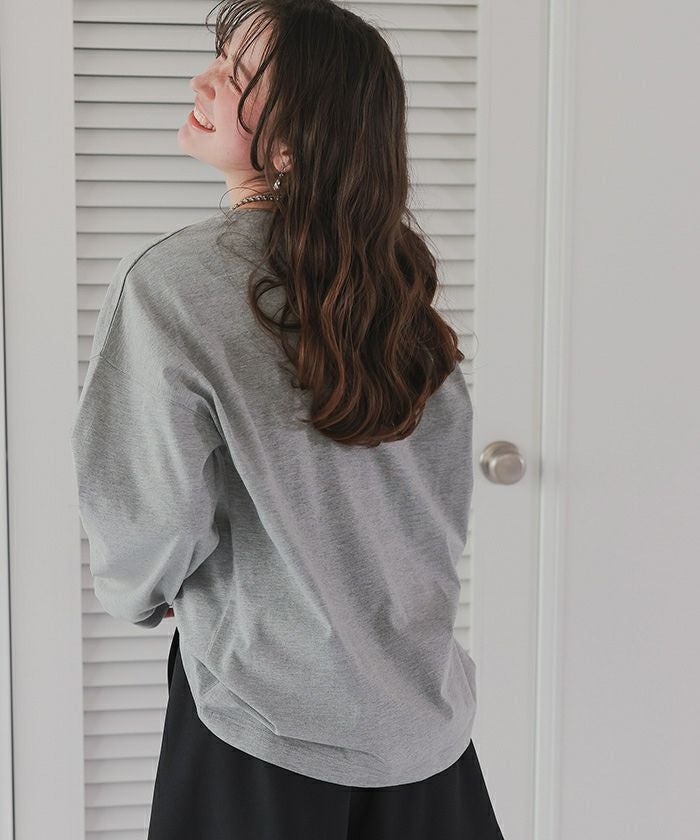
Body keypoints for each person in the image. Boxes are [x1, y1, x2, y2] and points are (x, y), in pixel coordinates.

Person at [69, 0, 507, 837]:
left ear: (292, 144)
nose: (202, 80)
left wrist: (143, 595)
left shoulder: (172, 284)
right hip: (423, 724)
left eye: (236, 75)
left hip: (263, 725)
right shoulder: (400, 288)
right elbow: (437, 509)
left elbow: (145, 519)